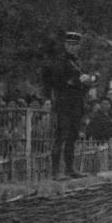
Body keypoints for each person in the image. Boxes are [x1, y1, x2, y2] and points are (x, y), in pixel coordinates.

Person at [45, 31, 93, 179]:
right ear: (65, 45)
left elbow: (82, 84)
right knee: (61, 136)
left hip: (76, 103)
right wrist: (79, 80)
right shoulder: (60, 61)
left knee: (73, 136)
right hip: (64, 103)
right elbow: (58, 82)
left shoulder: (78, 62)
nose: (72, 48)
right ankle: (55, 172)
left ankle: (70, 169)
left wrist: (86, 82)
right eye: (70, 45)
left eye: (75, 45)